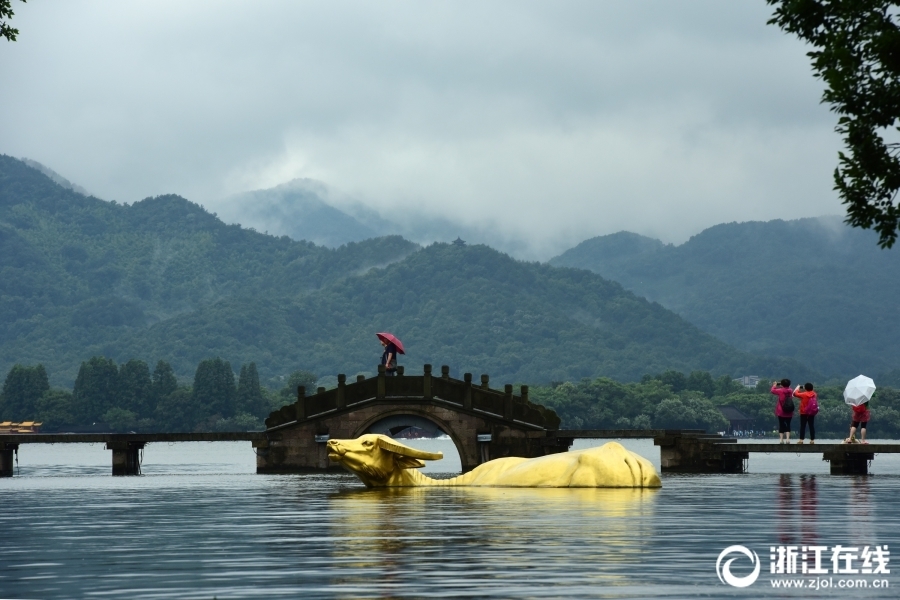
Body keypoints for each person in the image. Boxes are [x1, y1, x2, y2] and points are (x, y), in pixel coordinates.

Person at [771, 378, 795, 444]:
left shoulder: (780, 391)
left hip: (781, 411)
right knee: (788, 425)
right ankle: (788, 440)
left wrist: (774, 385)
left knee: (781, 424)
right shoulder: (791, 390)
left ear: (781, 384)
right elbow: (791, 391)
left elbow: (772, 391)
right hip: (789, 411)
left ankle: (781, 440)